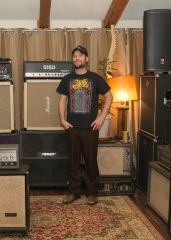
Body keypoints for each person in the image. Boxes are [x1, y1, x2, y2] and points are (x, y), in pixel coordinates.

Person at [56, 45, 113, 205]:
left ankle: (92, 192)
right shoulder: (67, 79)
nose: (77, 58)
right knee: (73, 162)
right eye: (75, 56)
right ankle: (74, 192)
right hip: (72, 127)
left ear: (86, 59)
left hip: (90, 128)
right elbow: (62, 100)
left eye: (80, 56)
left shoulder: (95, 78)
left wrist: (102, 117)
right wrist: (62, 120)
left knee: (91, 161)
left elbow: (109, 96)